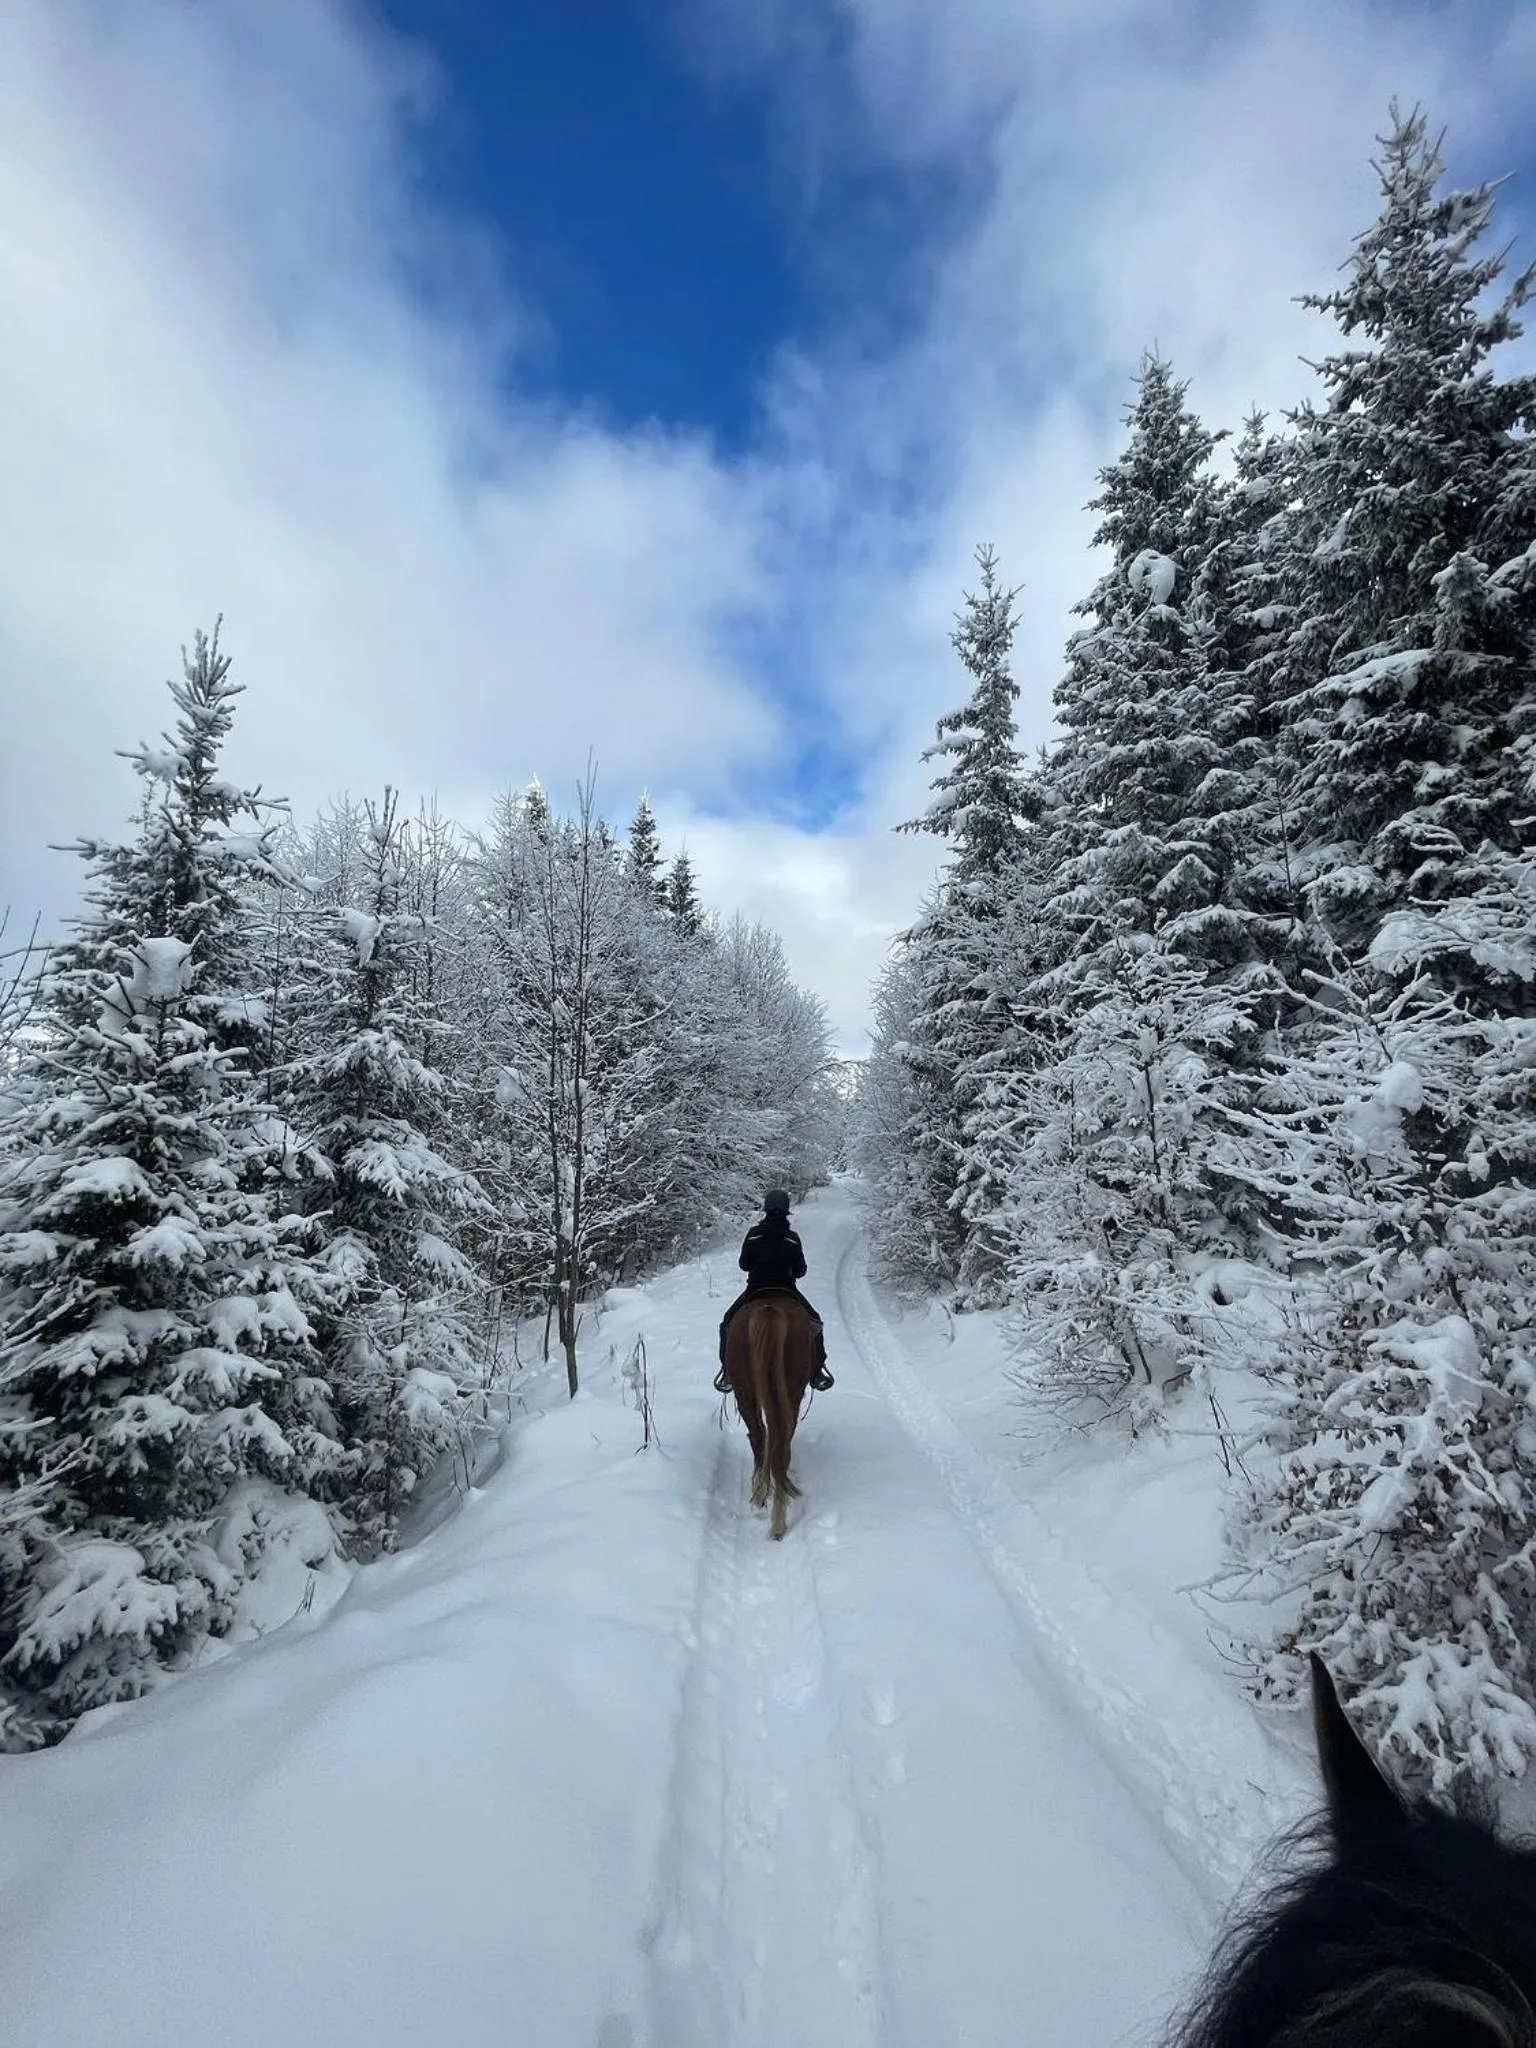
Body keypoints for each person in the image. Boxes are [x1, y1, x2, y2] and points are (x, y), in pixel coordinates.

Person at [714, 1189, 834, 1394]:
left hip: (755, 1290)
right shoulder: (792, 1238)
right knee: (815, 1322)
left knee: (727, 1323)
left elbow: (744, 1264)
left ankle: (727, 1371)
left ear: (765, 1209)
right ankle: (817, 1371)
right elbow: (800, 1271)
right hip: (786, 1290)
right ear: (787, 1211)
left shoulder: (753, 1235)